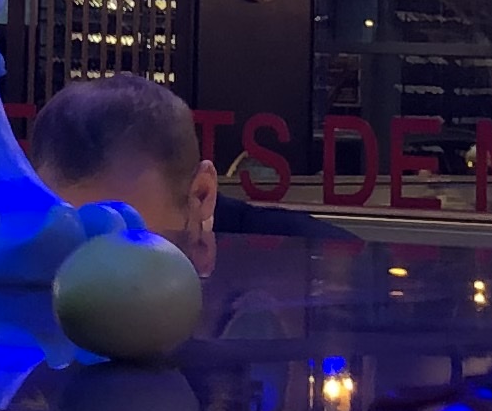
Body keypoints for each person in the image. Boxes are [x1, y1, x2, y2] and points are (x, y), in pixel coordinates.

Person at [27, 75, 333, 270]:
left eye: (132, 249)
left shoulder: (317, 263)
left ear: (202, 195)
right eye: (66, 251)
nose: (97, 280)